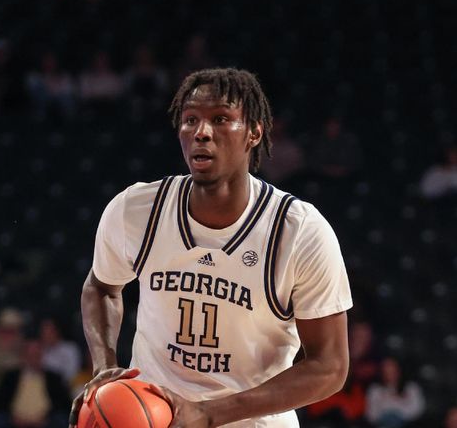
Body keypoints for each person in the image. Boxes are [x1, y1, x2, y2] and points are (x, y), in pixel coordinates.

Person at [71, 68, 352, 428]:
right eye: (190, 121)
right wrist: (105, 367)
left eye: (220, 119)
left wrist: (208, 414)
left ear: (254, 132)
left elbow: (330, 367)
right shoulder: (136, 210)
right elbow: (101, 287)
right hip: (159, 418)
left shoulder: (299, 232)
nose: (201, 132)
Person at [0, 340, 71, 428]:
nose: (33, 359)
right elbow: (1, 401)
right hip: (14, 420)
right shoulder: (10, 377)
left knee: (60, 420)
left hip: (46, 421)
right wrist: (14, 418)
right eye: (30, 356)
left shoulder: (53, 378)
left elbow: (61, 403)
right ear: (23, 357)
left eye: (36, 355)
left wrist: (45, 419)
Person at [365, 358, 424, 428]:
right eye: (386, 371)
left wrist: (395, 400)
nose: (390, 374)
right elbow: (371, 415)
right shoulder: (375, 390)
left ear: (399, 370)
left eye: (393, 371)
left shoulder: (411, 388)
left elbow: (416, 411)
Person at [38, 319, 81, 390]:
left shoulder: (70, 348)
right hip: (45, 387)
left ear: (57, 331)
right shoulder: (40, 351)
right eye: (44, 333)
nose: (47, 336)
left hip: (68, 386)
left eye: (50, 332)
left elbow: (73, 372)